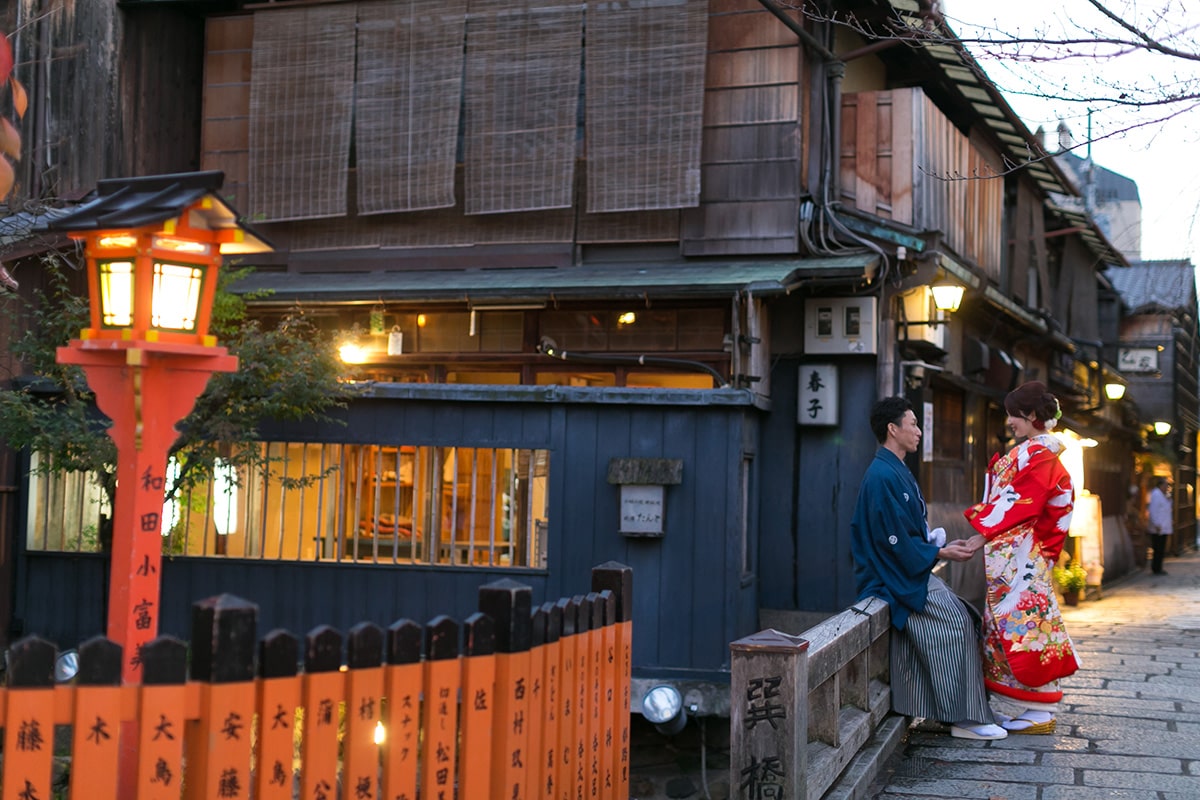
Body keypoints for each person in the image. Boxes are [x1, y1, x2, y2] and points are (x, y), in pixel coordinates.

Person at [850, 396, 1005, 740]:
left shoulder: (894, 469)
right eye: (913, 424)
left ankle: (950, 709)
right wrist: (940, 552)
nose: (919, 432)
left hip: (908, 568)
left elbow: (905, 533)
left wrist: (935, 546)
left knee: (962, 617)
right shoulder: (881, 476)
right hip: (892, 577)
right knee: (955, 623)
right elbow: (891, 542)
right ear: (893, 429)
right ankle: (964, 718)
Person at [964, 381, 1080, 735]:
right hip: (1023, 555)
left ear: (1031, 416)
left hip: (1023, 558)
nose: (1010, 422)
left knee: (1026, 630)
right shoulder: (1035, 453)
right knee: (1015, 630)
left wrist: (980, 534)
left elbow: (1019, 501)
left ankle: (1039, 709)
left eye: (1014, 415)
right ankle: (1030, 706)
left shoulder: (1039, 456)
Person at [1147, 478, 1172, 575]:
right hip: (1158, 527)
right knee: (1158, 548)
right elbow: (1153, 511)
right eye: (1166, 485)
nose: (1167, 487)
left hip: (1163, 527)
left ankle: (1158, 567)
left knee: (1161, 549)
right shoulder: (1156, 494)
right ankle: (1156, 568)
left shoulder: (1163, 495)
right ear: (1161, 485)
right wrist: (1156, 524)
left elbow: (1167, 507)